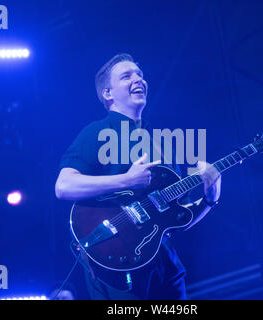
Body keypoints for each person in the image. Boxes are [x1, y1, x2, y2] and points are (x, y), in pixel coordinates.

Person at [55, 53, 221, 299]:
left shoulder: (161, 144)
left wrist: (210, 198)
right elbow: (63, 186)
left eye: (140, 75)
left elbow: (176, 219)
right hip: (118, 268)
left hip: (165, 267)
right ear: (108, 94)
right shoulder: (98, 132)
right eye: (126, 76)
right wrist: (127, 180)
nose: (138, 80)